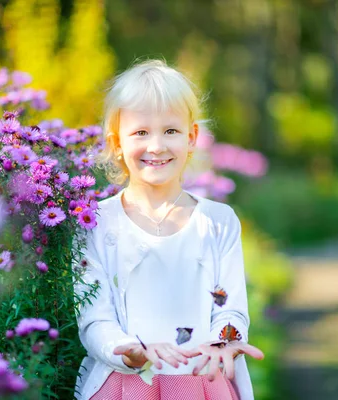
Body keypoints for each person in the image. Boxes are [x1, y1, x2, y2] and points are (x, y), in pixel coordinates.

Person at [73, 59, 264, 400]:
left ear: (191, 137)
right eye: (141, 132)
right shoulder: (96, 224)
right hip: (125, 386)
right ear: (116, 142)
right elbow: (94, 319)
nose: (157, 146)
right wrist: (126, 348)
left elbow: (230, 309)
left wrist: (225, 341)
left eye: (170, 131)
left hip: (201, 382)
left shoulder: (217, 222)